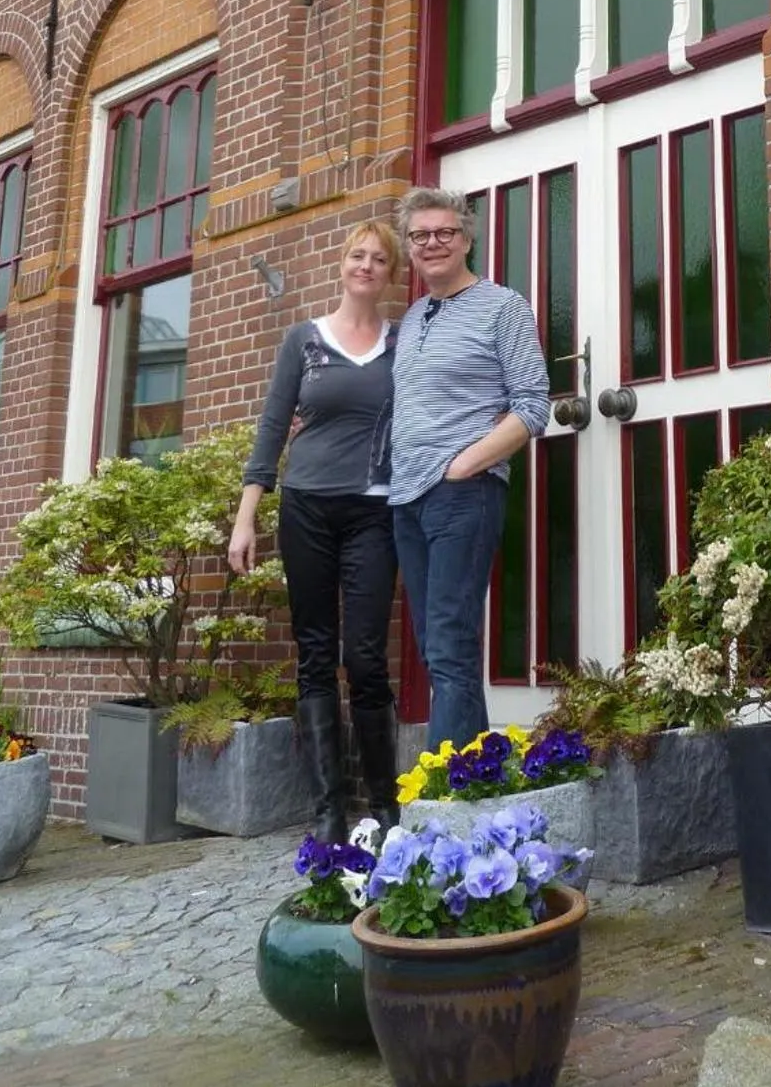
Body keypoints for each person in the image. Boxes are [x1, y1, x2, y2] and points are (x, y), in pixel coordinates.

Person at [230, 220, 402, 841]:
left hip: (374, 511)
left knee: (365, 657)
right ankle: (329, 808)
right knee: (316, 654)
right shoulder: (302, 341)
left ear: (390, 273)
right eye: (358, 254)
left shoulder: (401, 341)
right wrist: (246, 518)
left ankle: (385, 805)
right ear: (342, 262)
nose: (366, 265)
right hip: (305, 507)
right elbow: (273, 427)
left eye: (379, 259)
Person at [390, 186, 550, 752]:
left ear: (467, 238)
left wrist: (464, 465)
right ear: (408, 246)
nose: (433, 244)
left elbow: (533, 406)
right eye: (420, 236)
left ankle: (440, 801)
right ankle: (473, 777)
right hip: (405, 499)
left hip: (463, 494)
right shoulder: (412, 318)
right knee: (437, 646)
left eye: (445, 233)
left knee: (450, 642)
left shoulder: (503, 306)